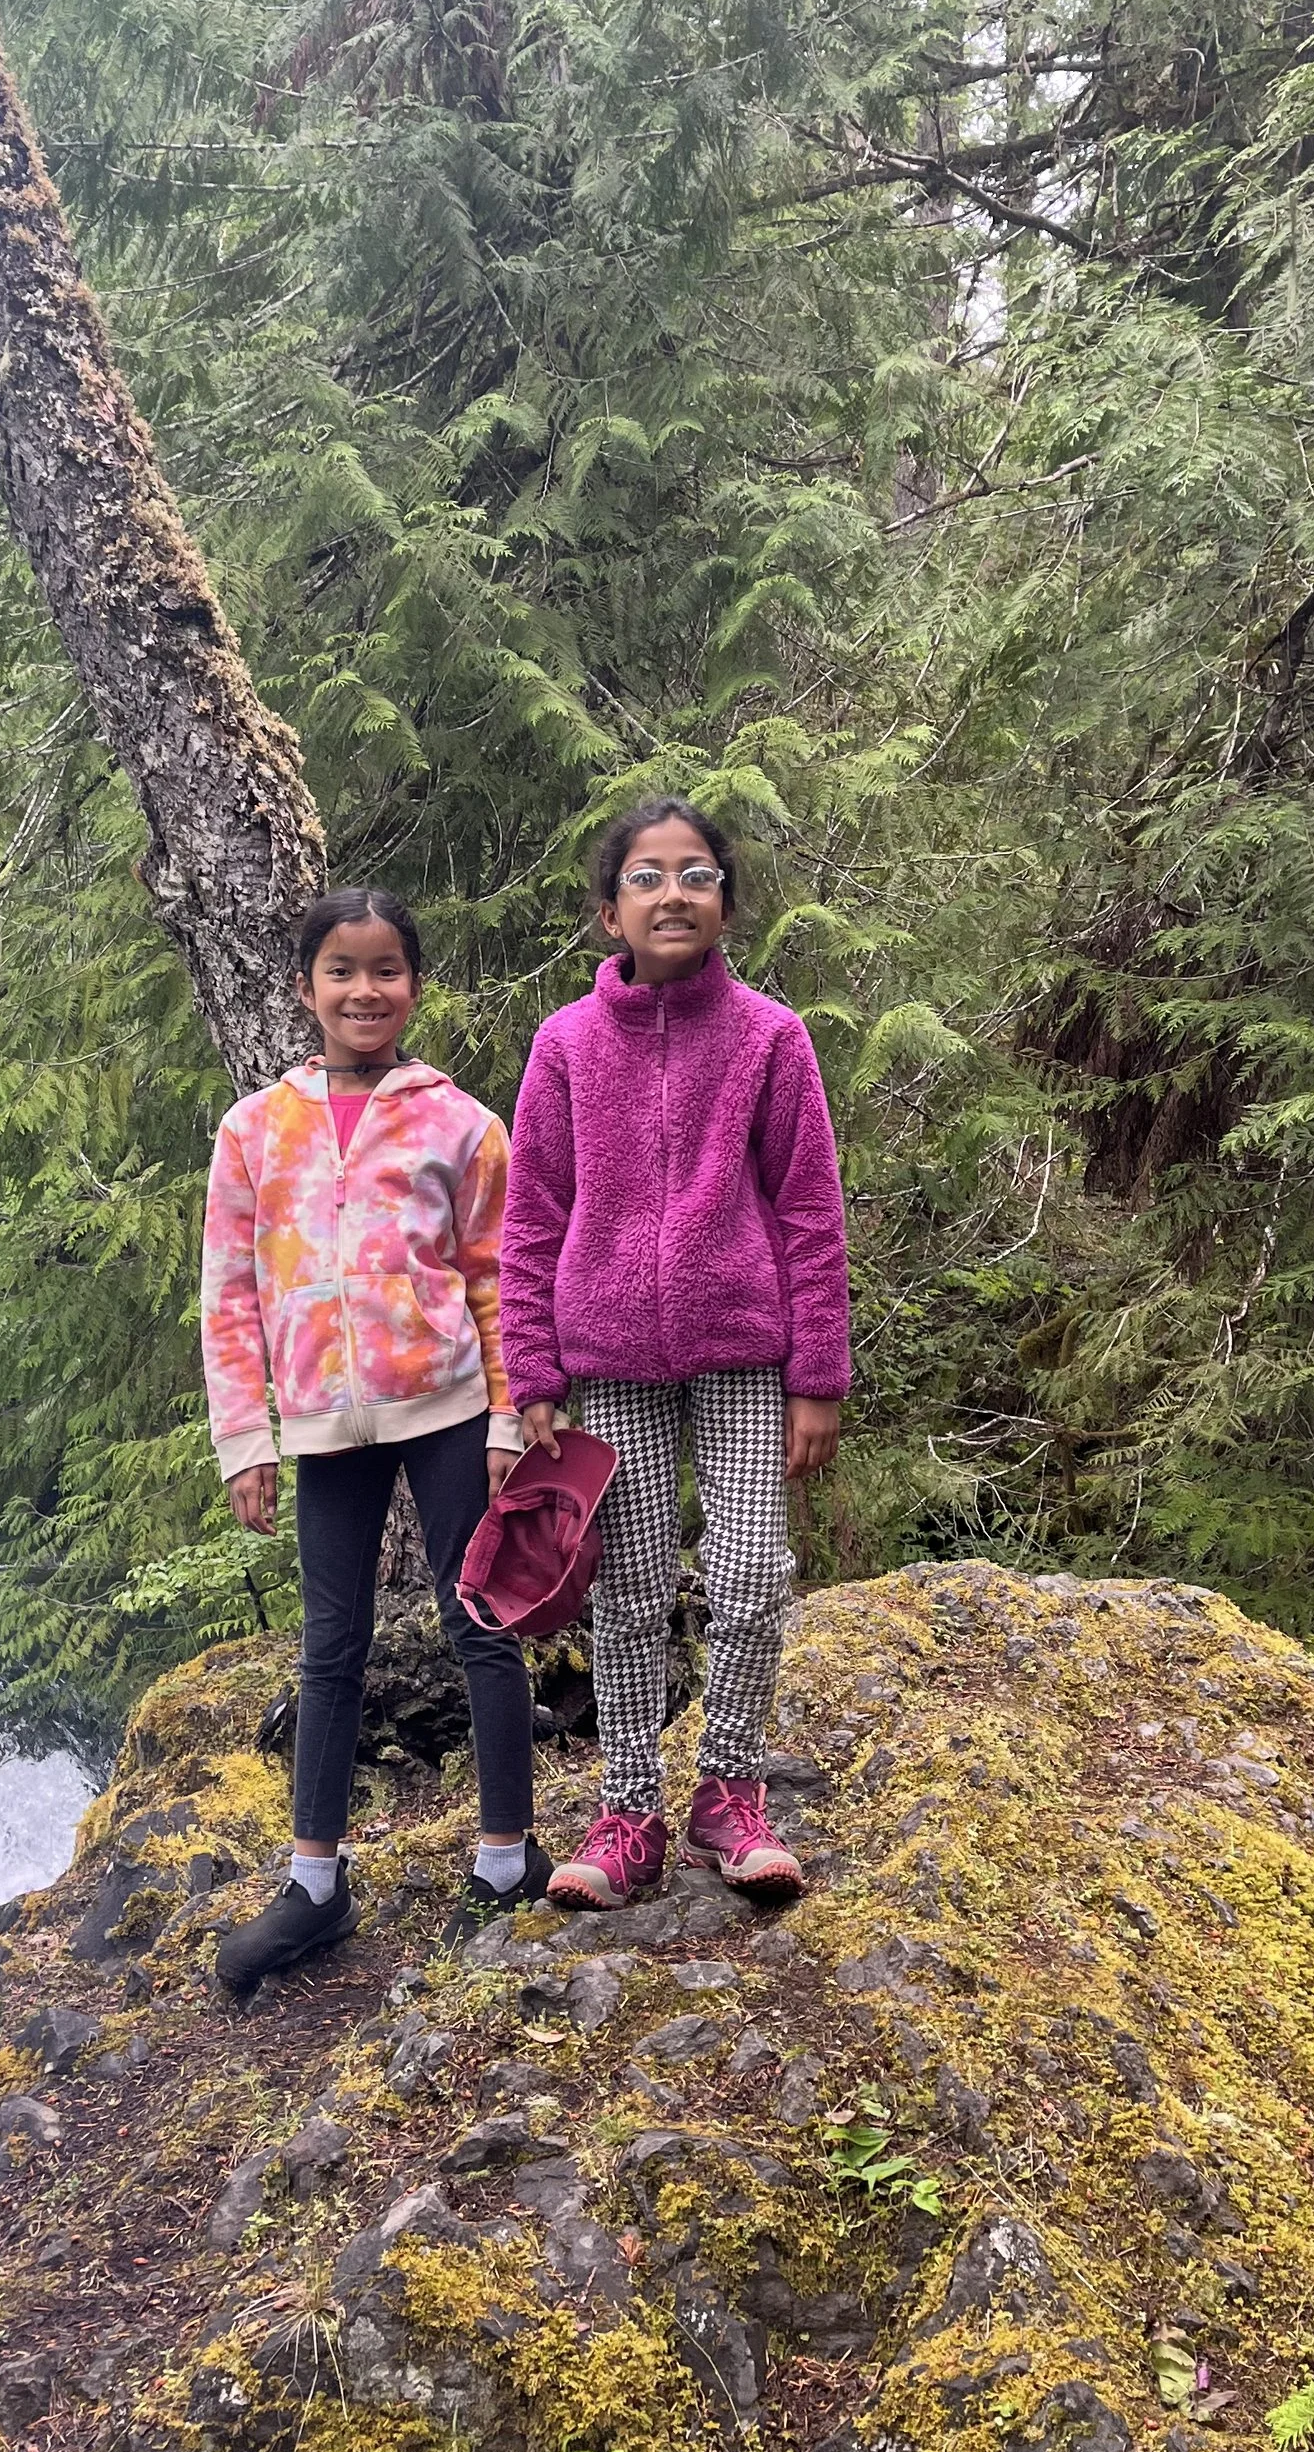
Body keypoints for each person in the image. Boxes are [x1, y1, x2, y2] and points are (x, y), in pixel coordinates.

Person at [500, 800, 850, 1907]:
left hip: (745, 1354)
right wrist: (534, 1375)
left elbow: (808, 1211)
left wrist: (818, 1378)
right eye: (646, 877)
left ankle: (730, 1794)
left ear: (725, 906)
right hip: (605, 1360)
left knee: (752, 1574)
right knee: (630, 1587)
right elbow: (532, 1216)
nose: (673, 893)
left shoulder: (769, 1038)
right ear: (609, 912)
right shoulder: (565, 1044)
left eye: (696, 874)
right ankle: (626, 1813)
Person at [201, 886, 547, 1994]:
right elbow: (228, 1294)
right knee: (329, 1643)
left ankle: (506, 1860)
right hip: (319, 1425)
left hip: (446, 1405)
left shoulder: (460, 1122)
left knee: (479, 1619)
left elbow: (499, 1279)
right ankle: (314, 1885)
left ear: (414, 983)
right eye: (341, 970)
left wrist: (505, 1414)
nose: (365, 990)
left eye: (386, 968)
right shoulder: (255, 1129)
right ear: (305, 987)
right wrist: (246, 1437)